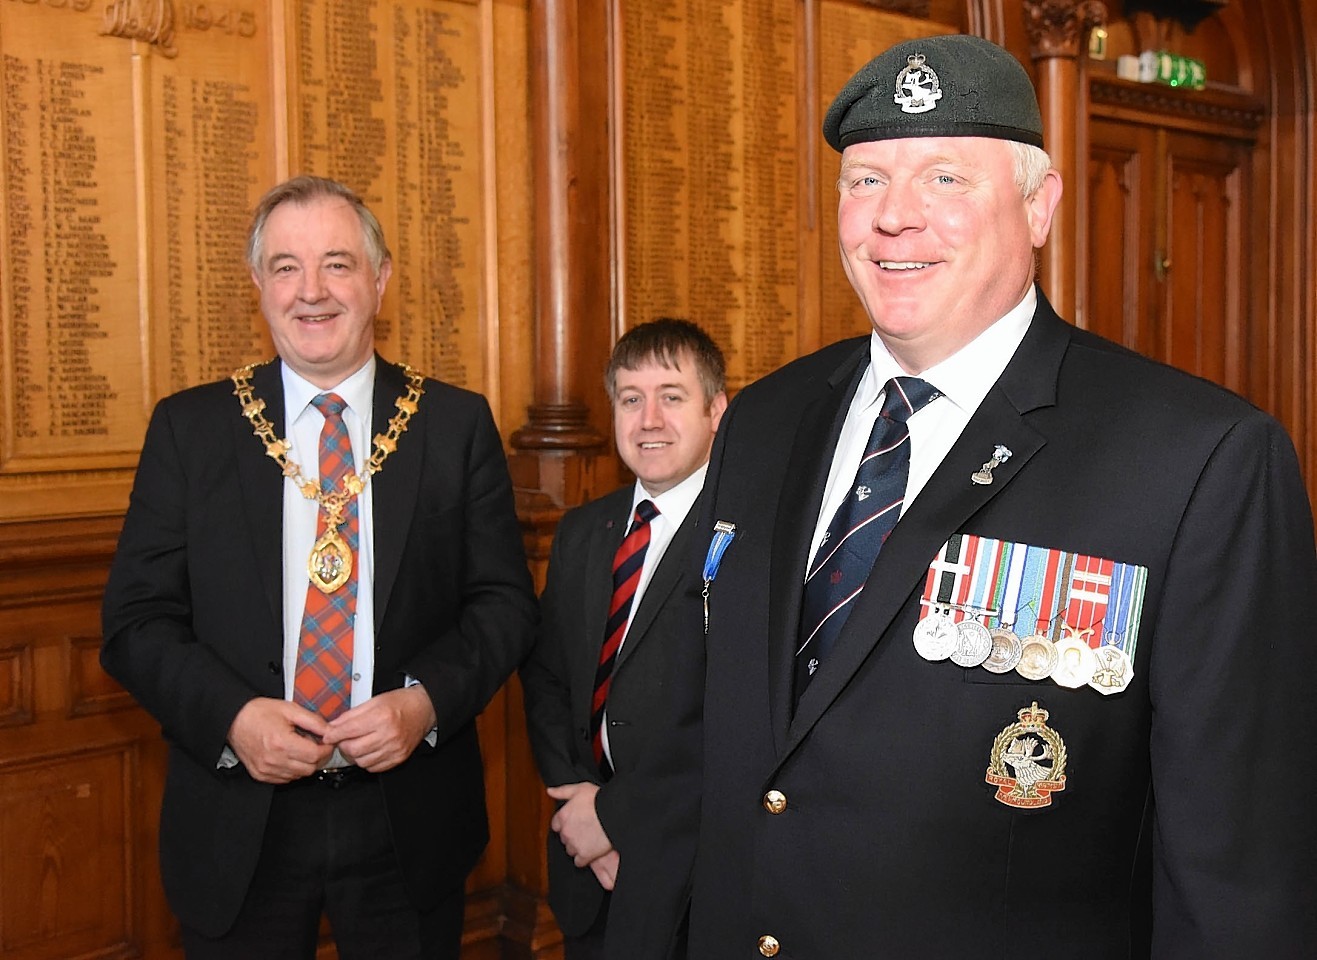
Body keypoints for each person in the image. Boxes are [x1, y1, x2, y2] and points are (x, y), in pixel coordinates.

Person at [687, 34, 1317, 958]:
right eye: (864, 181)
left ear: (1038, 206)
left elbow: (1237, 870)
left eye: (945, 177)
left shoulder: (1199, 460)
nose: (893, 218)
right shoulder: (765, 419)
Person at [100, 175, 537, 959]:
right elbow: (135, 624)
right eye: (285, 267)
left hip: (406, 814)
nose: (311, 293)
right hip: (239, 810)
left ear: (379, 279)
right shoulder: (190, 429)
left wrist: (424, 704)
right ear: (258, 286)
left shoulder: (453, 423)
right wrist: (235, 718)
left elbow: (502, 605)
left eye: (336, 264)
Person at [521, 319, 727, 960]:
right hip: (585, 862)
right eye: (630, 399)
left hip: (689, 872)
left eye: (672, 395)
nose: (648, 419)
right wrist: (578, 805)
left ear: (717, 410)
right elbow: (546, 677)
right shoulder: (584, 530)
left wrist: (614, 819)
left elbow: (727, 717)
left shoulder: (747, 538)